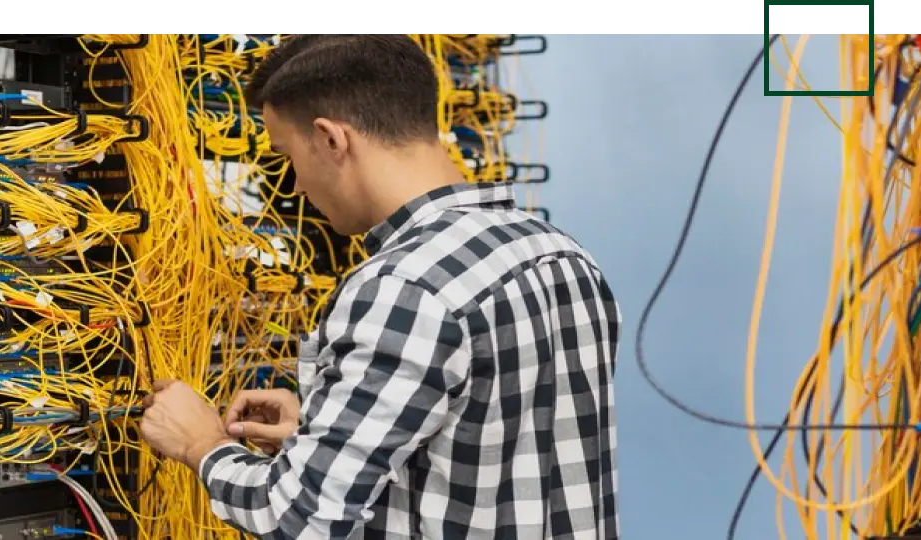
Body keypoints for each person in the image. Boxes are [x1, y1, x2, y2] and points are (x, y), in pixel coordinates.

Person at [140, 33, 622, 540]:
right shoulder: (559, 254)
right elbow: (491, 449)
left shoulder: (404, 287)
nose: (297, 187)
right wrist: (325, 434)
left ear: (331, 139)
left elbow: (297, 520)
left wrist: (201, 443)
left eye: (287, 158)